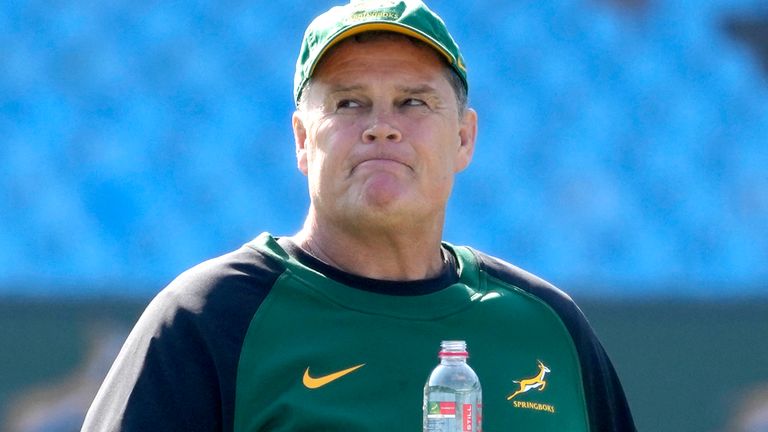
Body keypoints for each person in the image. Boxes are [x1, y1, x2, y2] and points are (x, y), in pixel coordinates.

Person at [82, 1, 636, 431]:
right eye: (349, 103)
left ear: (464, 137)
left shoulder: (547, 328)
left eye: (413, 102)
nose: (381, 126)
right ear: (302, 140)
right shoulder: (210, 317)